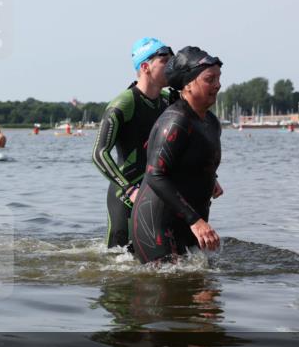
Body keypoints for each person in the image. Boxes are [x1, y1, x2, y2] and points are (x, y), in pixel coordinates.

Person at [131, 46, 224, 264]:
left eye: (219, 78)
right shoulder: (175, 122)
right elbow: (155, 175)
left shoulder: (210, 122)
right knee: (171, 292)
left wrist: (210, 180)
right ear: (188, 85)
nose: (218, 85)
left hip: (189, 221)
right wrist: (195, 221)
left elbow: (192, 162)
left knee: (205, 291)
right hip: (157, 226)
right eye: (210, 79)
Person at [92, 37, 174, 248]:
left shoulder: (169, 100)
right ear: (146, 67)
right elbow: (99, 154)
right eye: (165, 61)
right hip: (126, 193)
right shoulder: (124, 103)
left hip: (157, 188)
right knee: (118, 260)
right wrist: (129, 190)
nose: (171, 66)